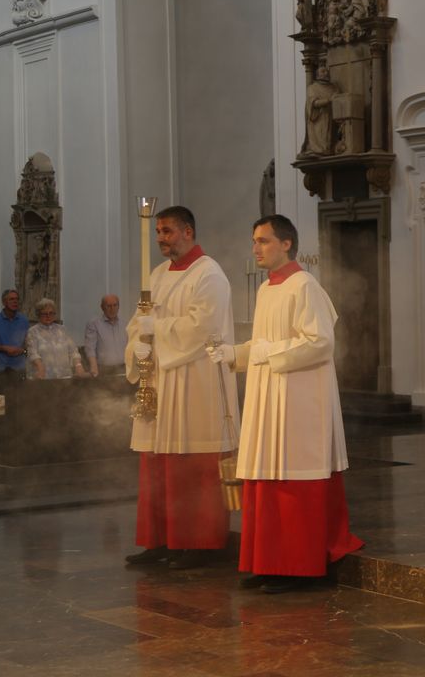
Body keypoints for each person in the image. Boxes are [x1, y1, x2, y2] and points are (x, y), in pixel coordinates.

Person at [207, 214, 363, 593]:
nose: (255, 248)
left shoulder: (304, 286)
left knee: (293, 482)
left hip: (298, 402)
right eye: (254, 241)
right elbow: (265, 343)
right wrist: (235, 353)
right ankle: (270, 563)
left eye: (263, 241)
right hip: (270, 398)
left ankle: (299, 567)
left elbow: (320, 343)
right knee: (268, 479)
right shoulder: (267, 290)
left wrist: (260, 353)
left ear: (286, 244)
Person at [124, 206, 238, 570]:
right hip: (160, 378)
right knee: (157, 462)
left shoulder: (210, 275)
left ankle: (198, 543)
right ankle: (162, 541)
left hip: (194, 382)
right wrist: (137, 345)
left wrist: (155, 330)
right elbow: (139, 321)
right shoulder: (157, 274)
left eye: (167, 231)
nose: (160, 238)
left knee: (191, 465)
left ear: (188, 232)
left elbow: (201, 329)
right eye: (158, 231)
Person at [25, 298, 86, 380]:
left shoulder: (62, 330)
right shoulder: (33, 331)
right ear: (38, 314)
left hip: (64, 377)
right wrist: (40, 367)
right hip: (43, 378)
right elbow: (33, 353)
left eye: (51, 313)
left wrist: (78, 365)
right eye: (44, 313)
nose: (48, 316)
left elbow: (73, 351)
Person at [0, 289, 30, 374]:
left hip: (20, 367)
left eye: (17, 299)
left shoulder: (24, 320)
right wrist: (4, 348)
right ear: (4, 302)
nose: (15, 301)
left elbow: (28, 344)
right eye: (11, 299)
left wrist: (22, 350)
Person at [84, 295, 128, 376]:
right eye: (109, 306)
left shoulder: (125, 324)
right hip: (104, 370)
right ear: (102, 307)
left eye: (115, 305)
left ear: (119, 306)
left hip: (123, 368)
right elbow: (90, 348)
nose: (112, 309)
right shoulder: (94, 324)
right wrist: (94, 368)